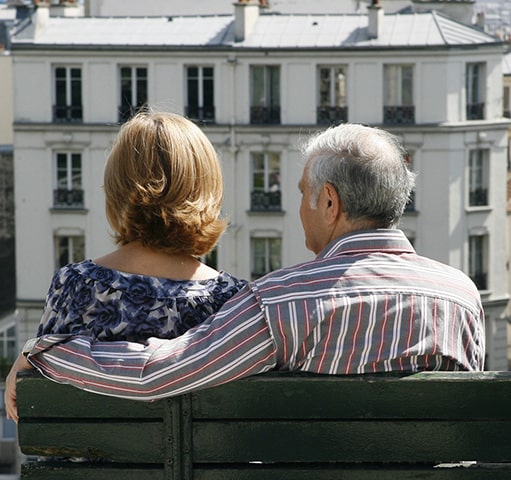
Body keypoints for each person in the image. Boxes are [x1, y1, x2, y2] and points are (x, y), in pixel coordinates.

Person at [6, 123, 485, 420]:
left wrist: (48, 354)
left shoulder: (282, 301)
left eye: (302, 193)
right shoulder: (462, 296)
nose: (298, 206)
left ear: (331, 202)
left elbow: (158, 374)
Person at [5, 110, 247, 420]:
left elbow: (42, 407)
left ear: (116, 189)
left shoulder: (75, 285)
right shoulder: (234, 300)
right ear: (207, 191)